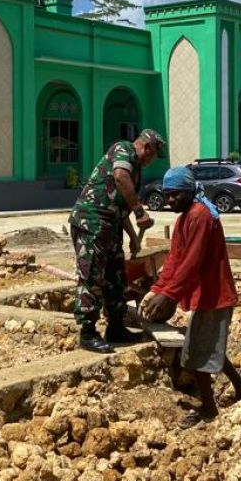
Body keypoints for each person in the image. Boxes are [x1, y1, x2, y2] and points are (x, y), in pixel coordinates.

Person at [140, 166, 241, 427]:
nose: (170, 201)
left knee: (194, 354)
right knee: (209, 346)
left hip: (214, 294)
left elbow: (191, 262)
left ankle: (208, 408)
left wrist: (168, 295)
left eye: (175, 195)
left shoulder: (201, 216)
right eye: (167, 196)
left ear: (190, 191)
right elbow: (174, 260)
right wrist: (157, 289)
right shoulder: (184, 219)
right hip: (204, 294)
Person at [69, 128, 166, 353]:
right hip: (90, 223)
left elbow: (121, 209)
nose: (152, 161)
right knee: (92, 276)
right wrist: (140, 211)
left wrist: (133, 237)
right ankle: (88, 332)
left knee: (116, 277)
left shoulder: (137, 170)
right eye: (154, 155)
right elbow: (120, 177)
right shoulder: (123, 149)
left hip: (111, 226)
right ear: (147, 147)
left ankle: (115, 327)